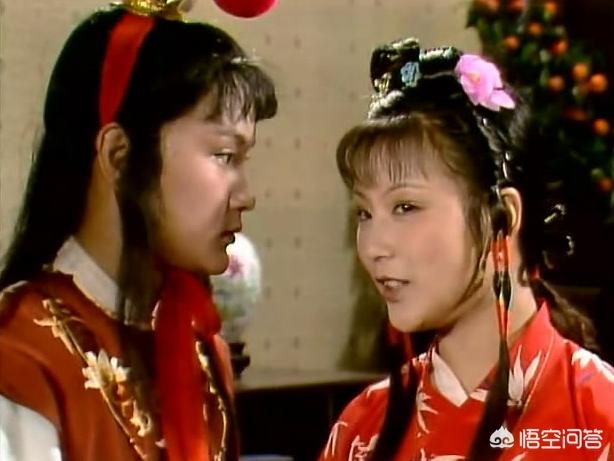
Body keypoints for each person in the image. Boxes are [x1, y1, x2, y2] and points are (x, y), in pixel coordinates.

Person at [0, 0, 277, 460]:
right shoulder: (23, 355)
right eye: (225, 156)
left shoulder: (202, 351)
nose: (245, 195)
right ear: (120, 156)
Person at [319, 37, 614, 461]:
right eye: (364, 213)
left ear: (503, 216)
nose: (373, 246)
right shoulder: (362, 428)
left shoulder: (597, 416)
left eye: (405, 207)